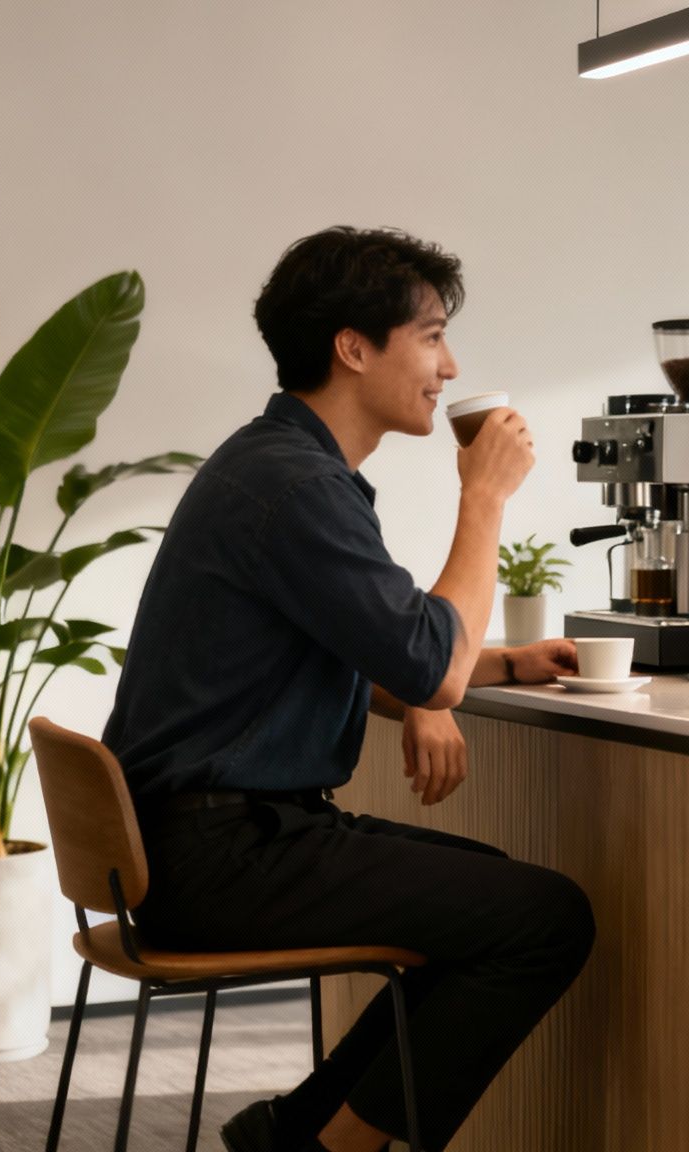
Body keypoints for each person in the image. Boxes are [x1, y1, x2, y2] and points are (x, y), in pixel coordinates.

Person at [102, 227, 594, 1152]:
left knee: (486, 898)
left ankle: (294, 1131)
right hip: (222, 853)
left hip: (202, 839)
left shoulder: (278, 467)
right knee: (542, 919)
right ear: (354, 347)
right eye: (432, 335)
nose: (449, 366)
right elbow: (423, 662)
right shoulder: (294, 487)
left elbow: (386, 654)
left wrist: (492, 666)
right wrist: (482, 499)